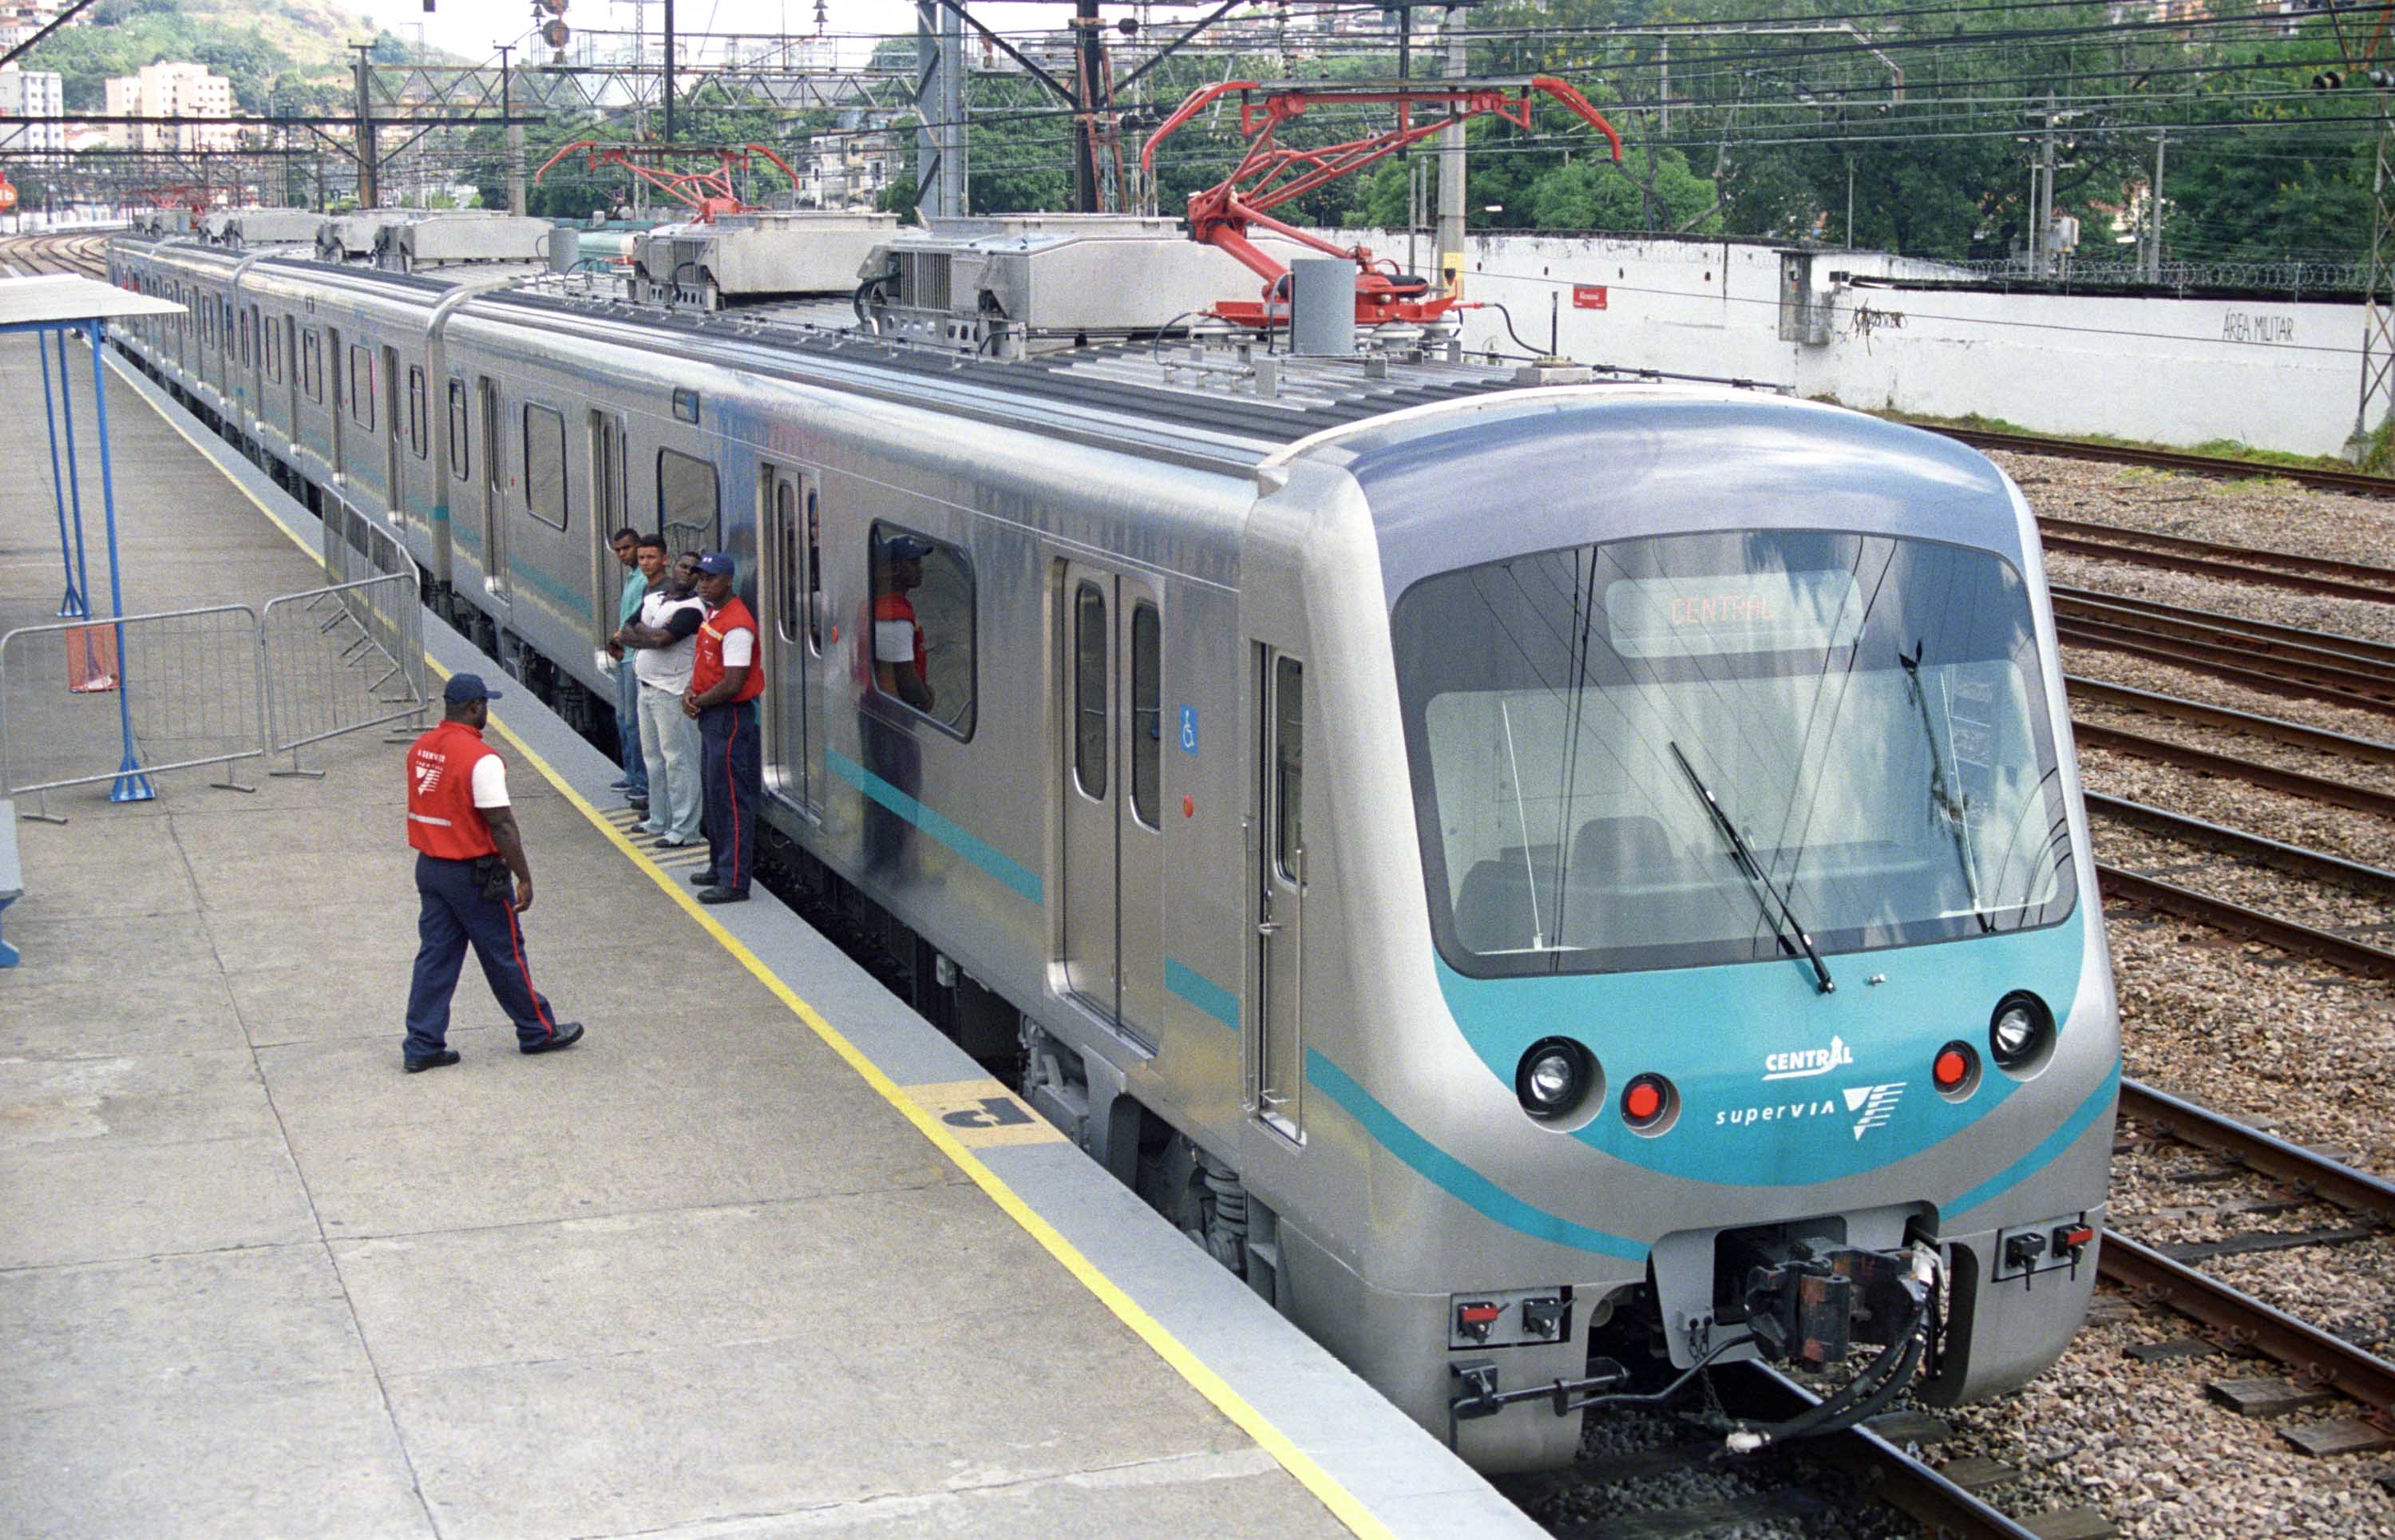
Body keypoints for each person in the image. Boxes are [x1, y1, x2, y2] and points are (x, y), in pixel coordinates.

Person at [402, 674, 584, 1072]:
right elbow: (501, 823)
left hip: (431, 868)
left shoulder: (420, 748)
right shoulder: (480, 759)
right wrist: (524, 876)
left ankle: (422, 1044)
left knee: (435, 958)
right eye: (485, 705)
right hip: (473, 874)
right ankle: (537, 1031)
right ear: (474, 708)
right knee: (505, 954)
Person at [684, 552, 764, 905]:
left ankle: (734, 880)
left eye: (711, 577)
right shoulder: (715, 615)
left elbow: (734, 682)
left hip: (729, 717)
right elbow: (705, 666)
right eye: (700, 576)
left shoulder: (737, 625)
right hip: (713, 715)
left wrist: (697, 701)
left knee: (731, 799)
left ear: (728, 580)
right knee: (715, 794)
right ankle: (719, 866)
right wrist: (691, 691)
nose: (703, 582)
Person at [615, 547, 707, 849]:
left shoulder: (693, 609)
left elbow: (664, 640)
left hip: (672, 692)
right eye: (684, 565)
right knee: (653, 759)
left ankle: (685, 828)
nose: (686, 572)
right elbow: (626, 631)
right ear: (674, 565)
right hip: (646, 688)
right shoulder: (653, 598)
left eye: (694, 570)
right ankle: (659, 819)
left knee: (679, 761)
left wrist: (647, 635)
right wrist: (649, 636)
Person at [605, 527, 651, 810]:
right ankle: (631, 774)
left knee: (634, 722)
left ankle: (641, 784)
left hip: (636, 658)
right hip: (625, 656)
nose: (624, 555)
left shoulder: (644, 580)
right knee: (622, 718)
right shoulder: (633, 578)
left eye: (627, 548)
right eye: (619, 550)